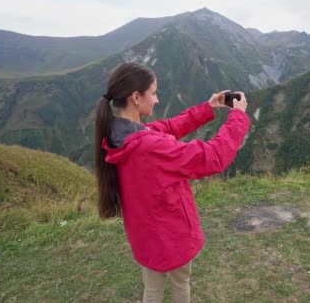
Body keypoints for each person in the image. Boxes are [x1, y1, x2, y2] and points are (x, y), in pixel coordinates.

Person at [94, 62, 250, 302]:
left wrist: (208, 107)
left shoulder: (121, 135)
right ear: (136, 97)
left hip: (144, 235)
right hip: (172, 234)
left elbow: (168, 127)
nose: (156, 100)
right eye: (153, 93)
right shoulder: (149, 146)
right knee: (180, 284)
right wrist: (237, 117)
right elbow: (212, 157)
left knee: (153, 289)